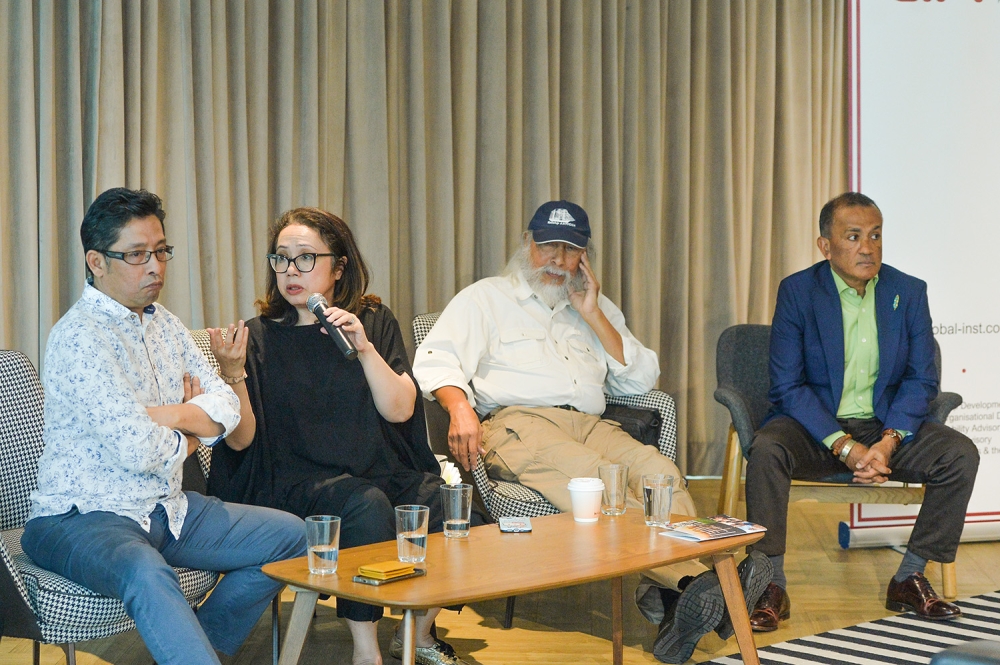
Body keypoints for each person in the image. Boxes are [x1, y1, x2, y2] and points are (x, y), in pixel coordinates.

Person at [412, 200, 770, 664]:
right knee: (601, 482)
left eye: (571, 250)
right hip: (518, 423)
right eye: (549, 247)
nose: (559, 260)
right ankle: (694, 581)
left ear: (584, 256)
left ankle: (674, 598)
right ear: (527, 243)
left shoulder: (590, 304)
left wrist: (593, 313)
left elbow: (641, 379)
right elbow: (435, 360)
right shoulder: (486, 298)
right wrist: (459, 407)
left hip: (591, 423)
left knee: (660, 475)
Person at [21, 188, 308, 665]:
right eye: (137, 254)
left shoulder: (167, 325)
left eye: (160, 251)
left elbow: (227, 407)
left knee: (290, 536)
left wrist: (167, 416)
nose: (155, 266)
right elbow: (138, 449)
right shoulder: (79, 337)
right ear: (96, 262)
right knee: (146, 571)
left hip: (167, 509)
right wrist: (196, 426)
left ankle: (200, 651)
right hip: (80, 516)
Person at [207, 207, 475, 665]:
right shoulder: (257, 337)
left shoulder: (372, 320)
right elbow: (240, 442)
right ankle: (365, 650)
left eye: (305, 257)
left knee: (456, 509)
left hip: (375, 468)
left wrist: (365, 348)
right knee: (366, 507)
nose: (291, 271)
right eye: (281, 258)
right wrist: (232, 373)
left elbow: (400, 409)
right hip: (292, 480)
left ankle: (416, 632)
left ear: (339, 266)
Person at [746, 192, 980, 631]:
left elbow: (921, 379)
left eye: (875, 235)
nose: (867, 248)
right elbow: (787, 386)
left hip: (883, 426)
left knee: (960, 454)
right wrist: (844, 446)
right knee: (767, 450)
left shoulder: (908, 291)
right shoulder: (798, 291)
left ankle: (910, 575)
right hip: (815, 427)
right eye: (853, 237)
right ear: (825, 245)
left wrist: (889, 441)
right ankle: (770, 583)